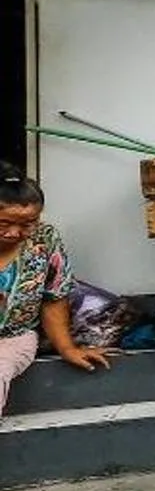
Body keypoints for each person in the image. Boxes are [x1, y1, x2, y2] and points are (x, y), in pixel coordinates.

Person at [0, 169, 112, 415]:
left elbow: (54, 297)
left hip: (13, 337)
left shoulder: (45, 239)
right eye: (4, 223)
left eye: (27, 224)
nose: (15, 233)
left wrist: (67, 349)